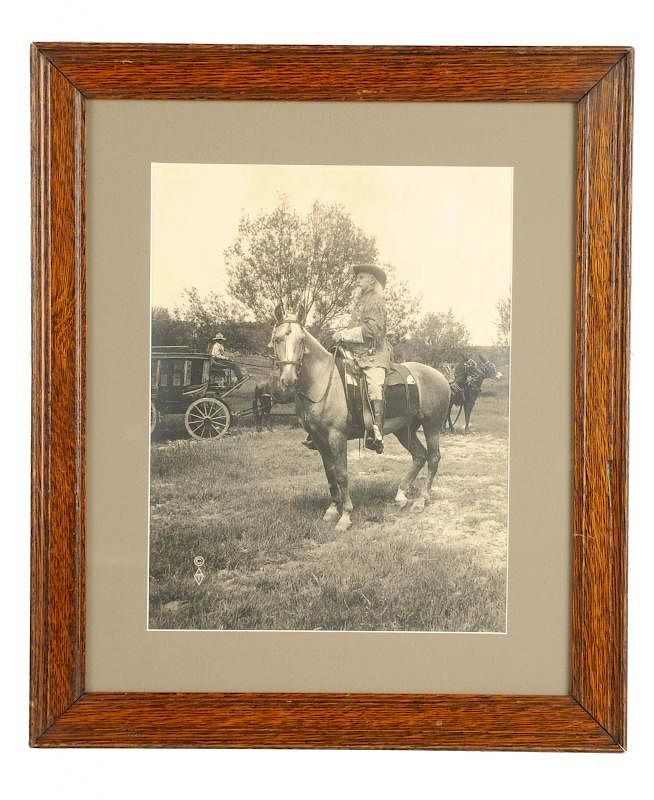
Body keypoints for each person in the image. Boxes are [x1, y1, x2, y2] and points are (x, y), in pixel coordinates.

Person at [303, 264, 390, 454]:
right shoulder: (360, 302)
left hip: (372, 354)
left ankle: (376, 430)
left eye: (361, 277)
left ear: (372, 280)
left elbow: (373, 331)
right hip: (354, 352)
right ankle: (323, 424)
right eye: (357, 278)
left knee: (374, 384)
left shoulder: (376, 301)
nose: (357, 281)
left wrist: (345, 335)